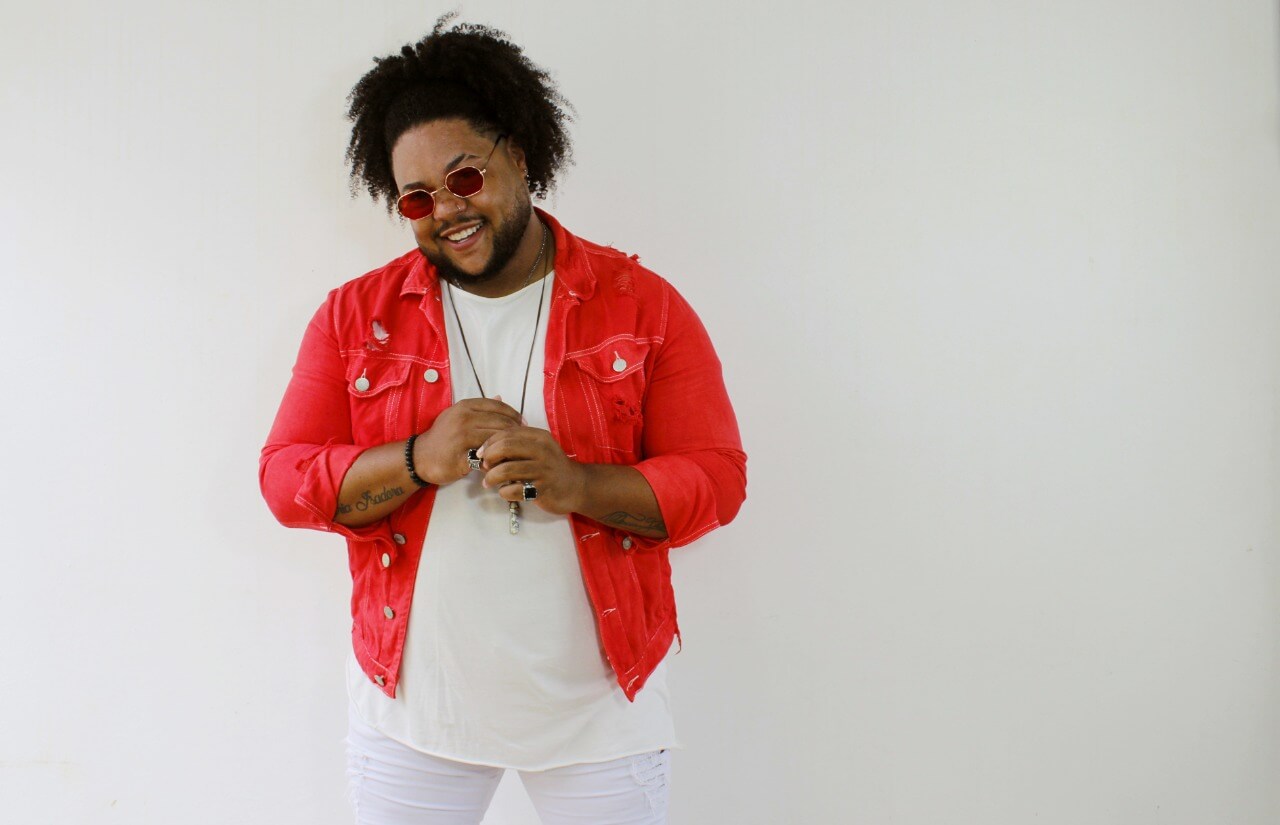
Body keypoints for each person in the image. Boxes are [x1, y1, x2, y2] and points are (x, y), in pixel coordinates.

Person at [259, 15, 746, 824]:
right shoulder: (353, 317)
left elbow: (717, 479)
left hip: (600, 714)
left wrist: (579, 483)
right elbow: (284, 478)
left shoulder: (643, 305)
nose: (447, 209)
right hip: (412, 715)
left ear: (519, 156)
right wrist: (415, 458)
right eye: (418, 196)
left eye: (465, 176)